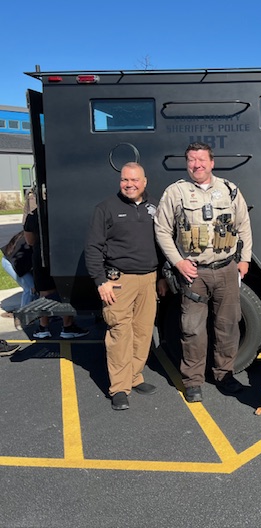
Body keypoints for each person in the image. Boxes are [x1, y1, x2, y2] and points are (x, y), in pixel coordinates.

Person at [154, 142, 252, 403]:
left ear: (212, 162)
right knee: (193, 329)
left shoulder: (229, 190)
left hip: (227, 270)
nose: (196, 165)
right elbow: (162, 230)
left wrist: (245, 260)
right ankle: (193, 381)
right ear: (187, 164)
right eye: (191, 160)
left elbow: (243, 226)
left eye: (201, 160)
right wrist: (177, 262)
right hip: (193, 274)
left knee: (228, 326)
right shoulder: (176, 193)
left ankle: (225, 375)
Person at [85, 162, 167, 411]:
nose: (129, 185)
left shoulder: (156, 207)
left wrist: (162, 276)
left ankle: (134, 377)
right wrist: (101, 281)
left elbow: (163, 242)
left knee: (142, 333)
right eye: (124, 180)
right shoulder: (106, 208)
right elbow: (92, 248)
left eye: (134, 180)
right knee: (120, 334)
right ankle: (119, 388)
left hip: (149, 280)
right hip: (119, 282)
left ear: (145, 181)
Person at [23, 207, 89, 340]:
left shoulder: (34, 215)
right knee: (65, 290)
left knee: (45, 292)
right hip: (64, 254)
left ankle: (43, 327)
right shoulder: (66, 211)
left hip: (41, 255)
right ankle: (67, 326)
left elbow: (29, 240)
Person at [1, 230, 38, 310]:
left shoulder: (30, 233)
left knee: (35, 287)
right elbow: (19, 264)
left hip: (14, 261)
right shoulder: (31, 240)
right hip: (11, 262)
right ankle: (24, 316)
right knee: (30, 288)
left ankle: (31, 313)